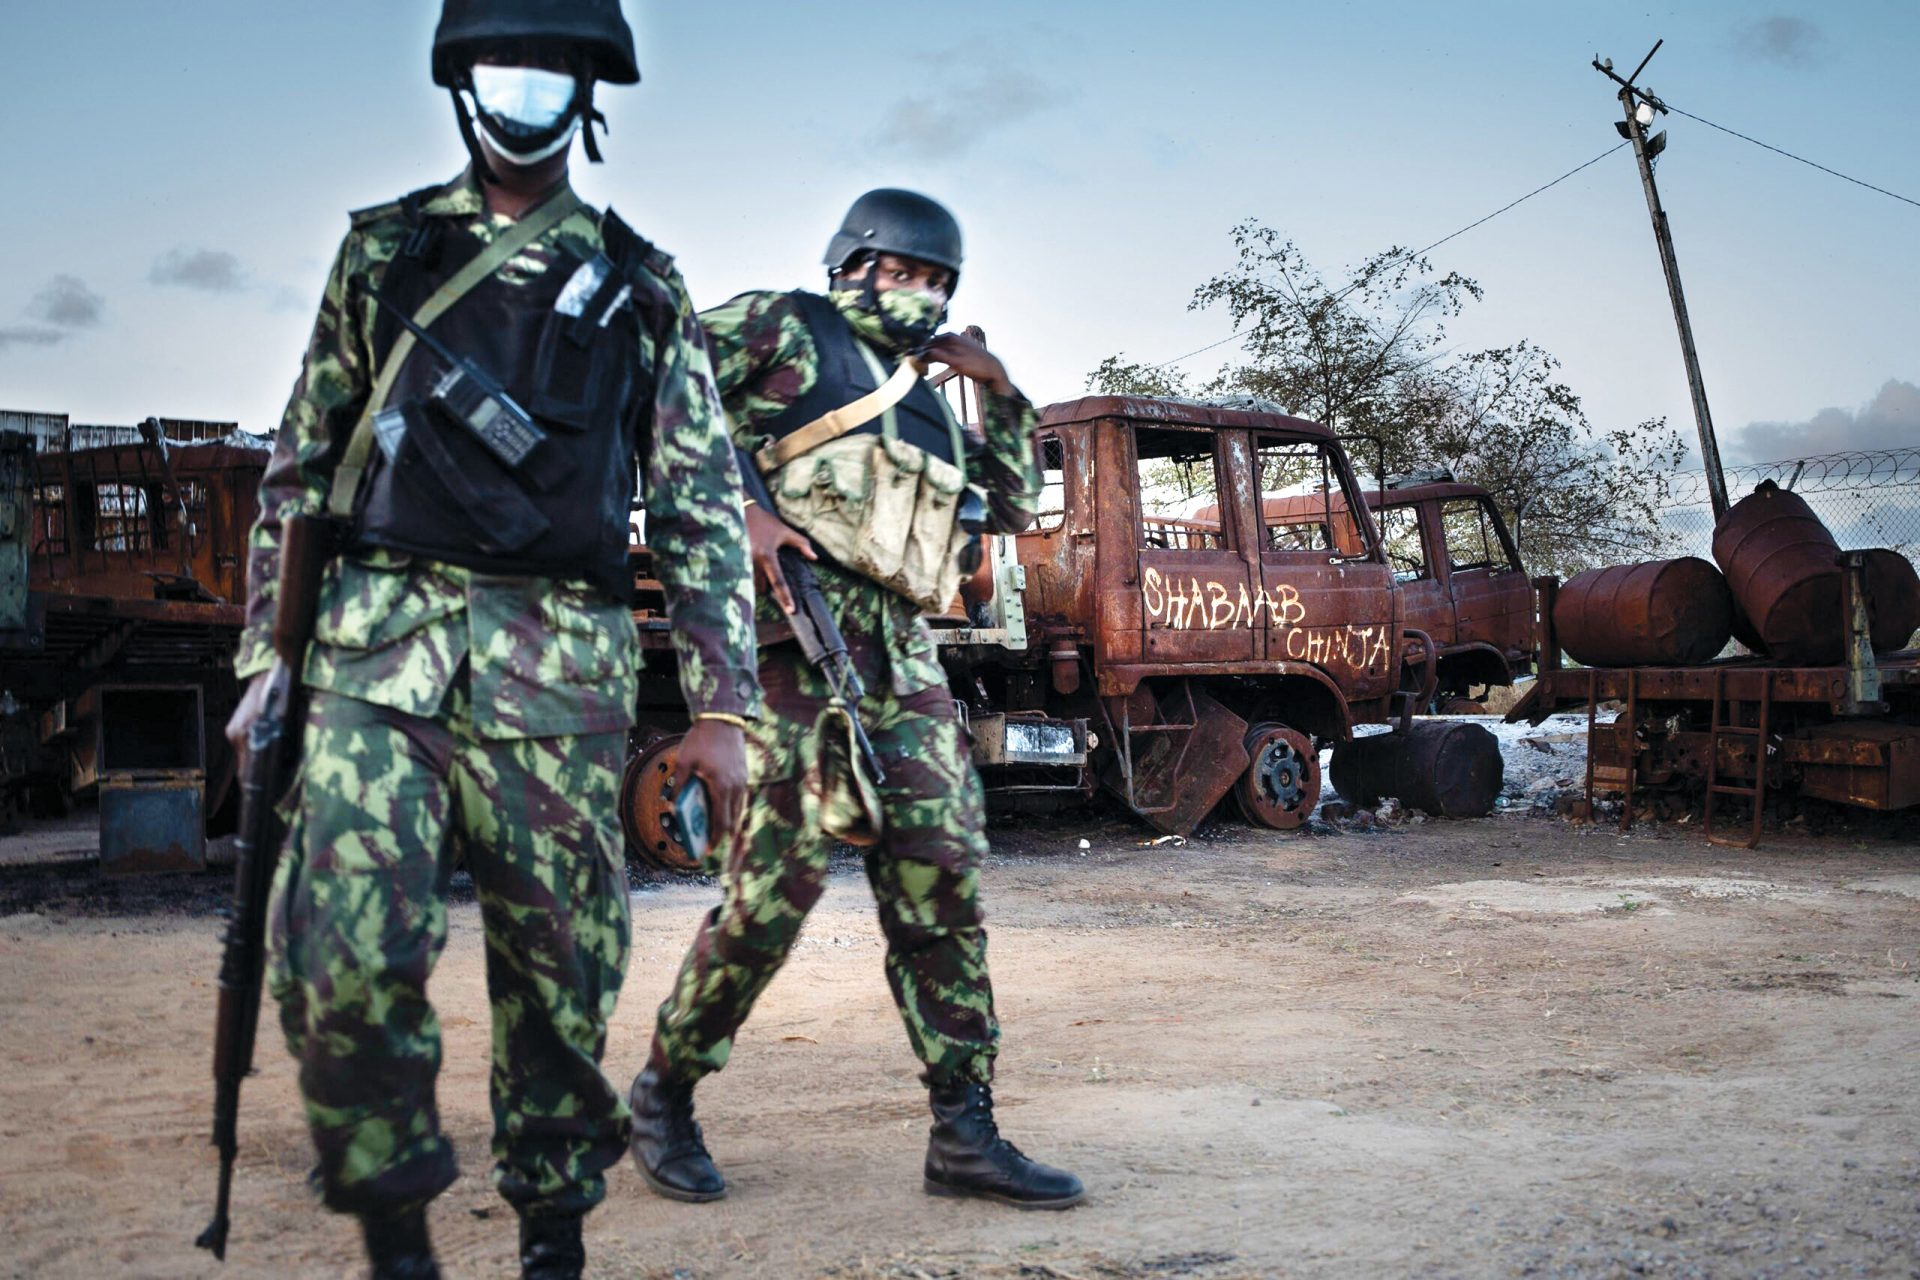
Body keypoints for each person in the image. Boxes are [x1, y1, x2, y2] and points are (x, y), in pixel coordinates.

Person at [224, 3, 759, 1276]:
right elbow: (300, 472)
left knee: (560, 994)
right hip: (372, 660)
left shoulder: (641, 285)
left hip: (556, 678)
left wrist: (721, 708)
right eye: (505, 66)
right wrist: (268, 661)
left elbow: (694, 499)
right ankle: (398, 1244)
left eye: (552, 70)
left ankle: (552, 1245)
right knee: (340, 963)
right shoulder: (384, 255)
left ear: (589, 92)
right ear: (464, 82)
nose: (525, 92)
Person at [629, 189, 1085, 1211]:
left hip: (899, 658)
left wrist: (997, 387)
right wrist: (737, 506)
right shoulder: (784, 326)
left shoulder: (930, 405)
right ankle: (663, 1090)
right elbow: (658, 389)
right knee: (772, 892)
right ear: (853, 264)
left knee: (942, 878)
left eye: (937, 283)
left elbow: (1010, 503)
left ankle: (965, 1129)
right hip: (786, 643)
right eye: (903, 272)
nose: (918, 296)